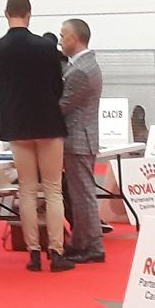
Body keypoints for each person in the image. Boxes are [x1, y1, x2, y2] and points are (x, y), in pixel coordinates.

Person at [0, 0, 73, 272]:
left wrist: (5, 101)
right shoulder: (46, 47)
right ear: (29, 14)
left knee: (26, 189)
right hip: (48, 123)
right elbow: (58, 87)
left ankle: (33, 253)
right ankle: (56, 252)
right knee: (52, 189)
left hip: (17, 125)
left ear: (5, 13)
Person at [58, 18, 104, 263]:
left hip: (78, 138)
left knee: (83, 194)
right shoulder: (84, 66)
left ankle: (92, 246)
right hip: (81, 137)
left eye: (63, 35)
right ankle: (82, 242)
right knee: (80, 194)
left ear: (74, 38)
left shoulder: (80, 71)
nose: (60, 40)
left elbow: (63, 105)